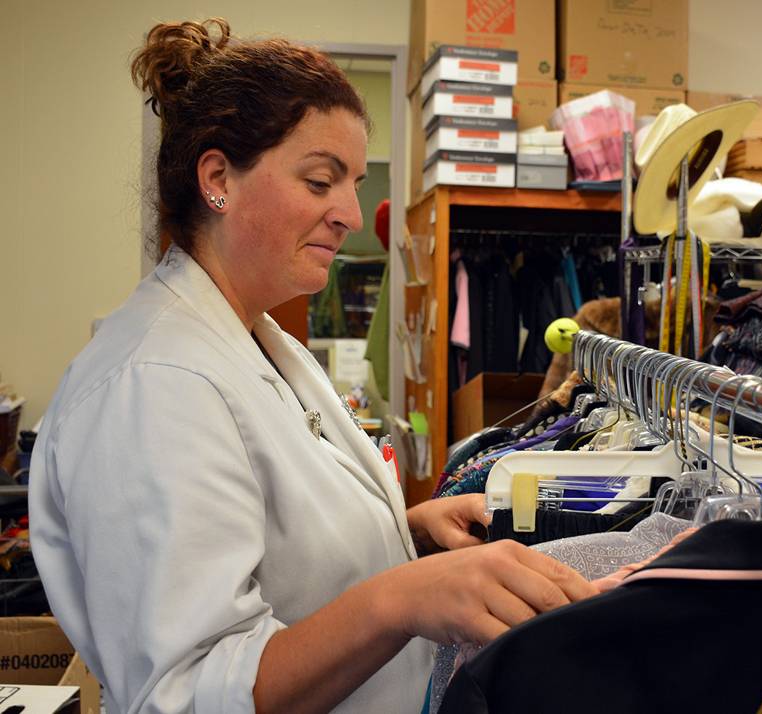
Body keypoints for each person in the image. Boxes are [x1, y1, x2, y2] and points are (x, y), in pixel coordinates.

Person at [28, 19, 596, 714]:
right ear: (217, 180)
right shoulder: (154, 385)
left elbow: (277, 552)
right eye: (321, 180)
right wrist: (401, 598)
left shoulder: (261, 339)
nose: (351, 215)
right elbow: (187, 694)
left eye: (353, 183)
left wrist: (403, 535)